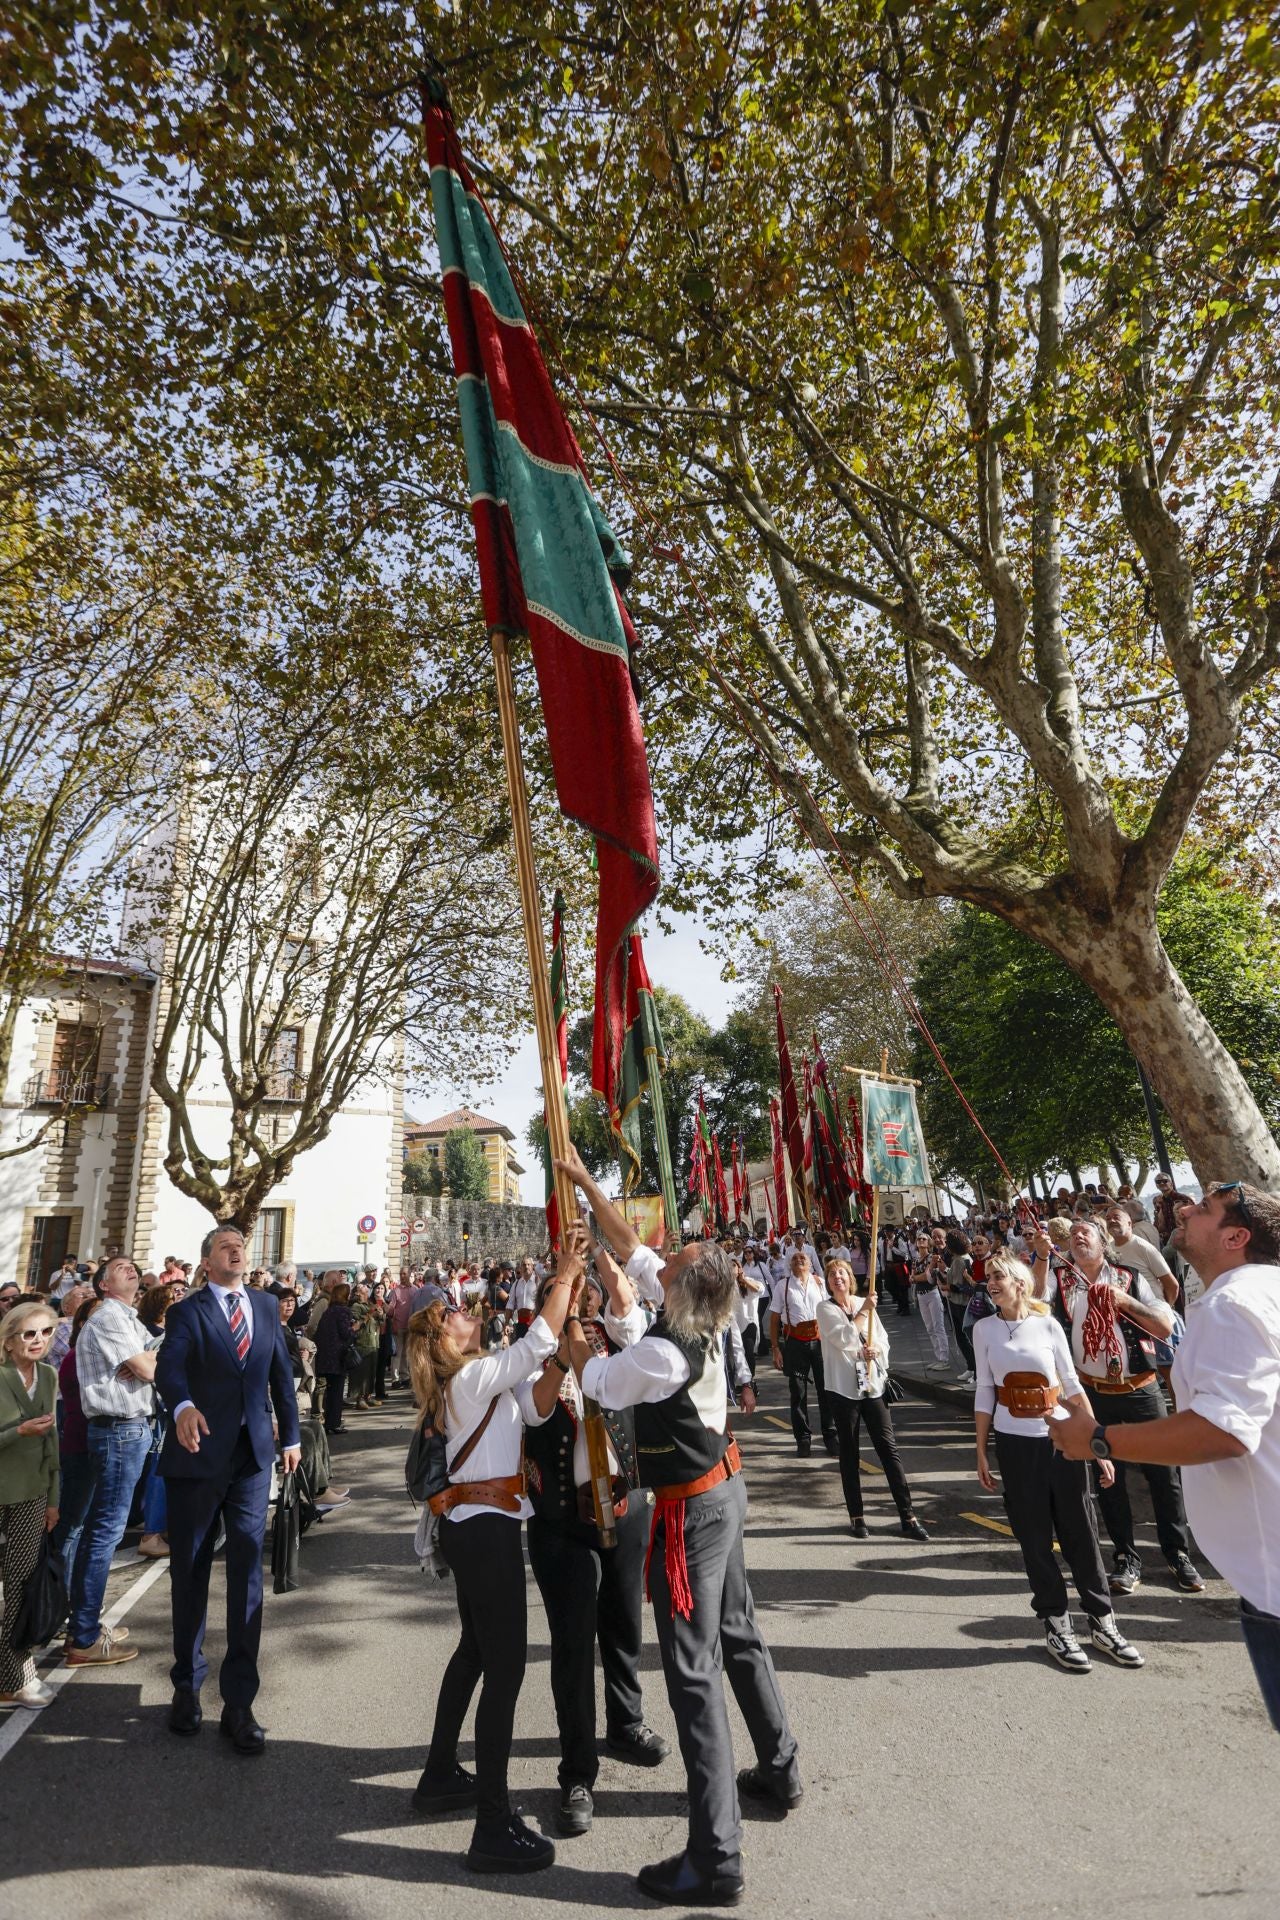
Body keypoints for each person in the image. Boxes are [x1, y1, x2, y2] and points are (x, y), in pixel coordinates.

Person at [557, 1147, 797, 1910]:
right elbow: (632, 1247)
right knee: (741, 1634)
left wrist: (573, 1331)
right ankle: (780, 1767)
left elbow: (596, 1380)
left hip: (691, 1510)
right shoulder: (687, 1314)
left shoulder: (663, 1351)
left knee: (693, 1673)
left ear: (681, 1290)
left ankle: (715, 1854)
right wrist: (586, 1186)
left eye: (676, 1259)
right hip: (723, 1490)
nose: (659, 1257)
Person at [1053, 1182, 1280, 1729]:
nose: (1183, 1209)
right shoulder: (1261, 1291)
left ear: (1235, 1235)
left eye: (1203, 1209)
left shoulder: (1232, 1303)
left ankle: (1173, 1555)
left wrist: (1098, 1438)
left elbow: (1223, 1432)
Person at [407, 1234, 585, 1875]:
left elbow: (536, 1409)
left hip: (480, 1525)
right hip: (483, 1531)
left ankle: (438, 1773)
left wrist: (562, 1362)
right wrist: (562, 1276)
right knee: (505, 1669)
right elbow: (534, 1342)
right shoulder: (470, 1380)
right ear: (441, 1339)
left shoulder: (482, 1382)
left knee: (478, 1652)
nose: (466, 1311)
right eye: (454, 1311)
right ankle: (491, 1822)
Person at [516, 1252, 668, 1839]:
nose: (584, 1300)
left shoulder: (624, 1345)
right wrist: (561, 1342)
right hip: (562, 1522)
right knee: (574, 1646)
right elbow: (536, 1410)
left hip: (625, 1509)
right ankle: (577, 1771)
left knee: (624, 1624)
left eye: (588, 1293)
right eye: (569, 1291)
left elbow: (630, 1313)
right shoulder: (531, 1353)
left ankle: (626, 1723)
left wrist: (598, 1266)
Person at [156, 1224, 300, 1752]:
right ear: (206, 1261)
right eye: (224, 1245)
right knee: (190, 1573)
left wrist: (292, 1434)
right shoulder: (187, 1312)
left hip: (252, 1459)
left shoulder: (264, 1306)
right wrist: (183, 1406)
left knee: (247, 1578)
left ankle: (239, 1702)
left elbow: (280, 1374)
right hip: (197, 1457)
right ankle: (187, 1687)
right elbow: (169, 1369)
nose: (237, 1249)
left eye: (241, 1244)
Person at [973, 1253, 1142, 1674]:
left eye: (997, 1276)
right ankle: (1056, 1624)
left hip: (1061, 1441)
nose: (989, 1282)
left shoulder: (1048, 1325)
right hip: (1014, 1446)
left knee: (1081, 1532)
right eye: (987, 1277)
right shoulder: (983, 1329)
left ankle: (1103, 1623)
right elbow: (984, 1390)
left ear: (1019, 1282)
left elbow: (1070, 1385)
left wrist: (1096, 1442)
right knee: (1034, 1538)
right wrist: (980, 1449)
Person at [1029, 1217, 1203, 1596]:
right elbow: (1034, 1300)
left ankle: (1177, 1554)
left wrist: (1124, 1301)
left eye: (1085, 1231)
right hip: (1094, 1394)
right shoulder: (1061, 1279)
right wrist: (1041, 1257)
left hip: (1141, 1388)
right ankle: (1126, 1558)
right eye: (1072, 1233)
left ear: (1102, 1241)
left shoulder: (1129, 1277)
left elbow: (1163, 1324)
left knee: (1165, 1476)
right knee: (1110, 1479)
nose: (1077, 1236)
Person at [64, 1255, 157, 1668]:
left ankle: (85, 1625)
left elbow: (154, 1357)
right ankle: (83, 1636)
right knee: (105, 1530)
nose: (131, 1269)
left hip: (127, 1427)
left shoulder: (129, 1318)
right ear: (102, 1284)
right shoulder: (110, 1319)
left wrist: (149, 1361)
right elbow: (148, 1367)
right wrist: (145, 1364)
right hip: (120, 1428)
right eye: (120, 1267)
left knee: (102, 1528)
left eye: (133, 1266)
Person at [818, 1261, 928, 1541]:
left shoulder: (862, 1302)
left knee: (888, 1449)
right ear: (828, 1282)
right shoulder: (826, 1308)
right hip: (843, 1389)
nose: (837, 1278)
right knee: (850, 1452)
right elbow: (842, 1338)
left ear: (850, 1278)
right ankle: (857, 1516)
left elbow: (882, 1339)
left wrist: (875, 1350)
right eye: (832, 1275)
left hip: (872, 1386)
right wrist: (864, 1313)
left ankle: (908, 1515)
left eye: (841, 1272)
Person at [0, 1301, 61, 1707]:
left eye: (46, 1333)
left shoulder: (49, 1375)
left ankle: (15, 1676)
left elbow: (52, 1439)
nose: (39, 1341)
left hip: (32, 1494)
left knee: (21, 1586)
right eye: (29, 1334)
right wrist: (17, 1432)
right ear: (8, 1342)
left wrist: (53, 1498)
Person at [770, 1250, 837, 1457]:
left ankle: (831, 1436)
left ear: (810, 1263)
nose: (799, 1260)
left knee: (827, 1390)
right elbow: (774, 1319)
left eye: (803, 1258)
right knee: (798, 1393)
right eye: (794, 1259)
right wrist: (776, 1349)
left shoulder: (819, 1282)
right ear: (789, 1264)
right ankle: (803, 1439)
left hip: (819, 1342)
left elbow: (831, 1310)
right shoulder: (783, 1285)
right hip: (795, 1343)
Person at [1104, 1204, 1179, 1306]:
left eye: (1116, 1217)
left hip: (1153, 1311)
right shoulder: (1108, 1250)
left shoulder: (1143, 1247)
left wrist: (1166, 1309)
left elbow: (1171, 1284)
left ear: (1130, 1223)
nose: (1111, 1221)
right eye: (1108, 1219)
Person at [314, 1281, 355, 1435]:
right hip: (337, 1358)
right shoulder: (343, 1311)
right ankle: (334, 1423)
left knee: (330, 1392)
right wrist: (355, 1329)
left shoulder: (329, 1310)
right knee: (336, 1392)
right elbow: (346, 1334)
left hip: (326, 1356)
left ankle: (330, 1421)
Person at [909, 1232, 951, 1369]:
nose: (921, 1240)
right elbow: (912, 1276)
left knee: (938, 1327)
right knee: (930, 1328)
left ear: (929, 1242)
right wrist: (914, 1278)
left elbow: (926, 1277)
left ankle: (944, 1359)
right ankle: (938, 1357)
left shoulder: (931, 1258)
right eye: (919, 1239)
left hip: (932, 1293)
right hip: (921, 1295)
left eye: (924, 1239)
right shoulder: (915, 1260)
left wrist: (915, 1278)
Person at [388, 1270, 415, 1386]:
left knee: (406, 1353)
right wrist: (392, 1321)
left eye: (404, 1274)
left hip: (410, 1326)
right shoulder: (396, 1290)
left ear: (409, 1275)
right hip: (398, 1325)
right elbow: (391, 1308)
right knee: (397, 1353)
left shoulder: (415, 1289)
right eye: (401, 1274)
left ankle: (405, 1376)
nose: (402, 1276)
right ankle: (395, 1378)